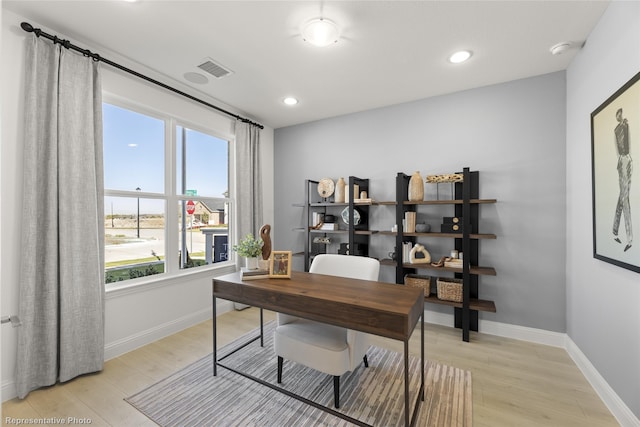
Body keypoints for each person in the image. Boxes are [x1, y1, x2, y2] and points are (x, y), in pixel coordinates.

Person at [613, 108, 633, 252]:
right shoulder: (616, 130)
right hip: (622, 161)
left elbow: (629, 141)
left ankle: (614, 230)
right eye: (618, 114)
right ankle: (629, 238)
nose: (620, 115)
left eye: (621, 113)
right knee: (625, 199)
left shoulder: (626, 125)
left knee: (623, 197)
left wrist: (628, 159)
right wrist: (621, 160)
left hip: (628, 160)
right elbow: (617, 148)